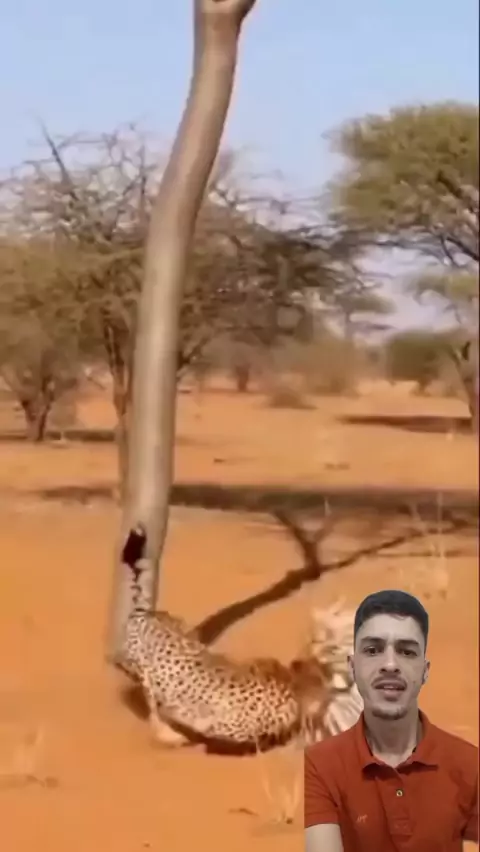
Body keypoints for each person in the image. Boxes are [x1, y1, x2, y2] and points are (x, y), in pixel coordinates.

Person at [304, 589, 478, 852]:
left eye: (406, 652)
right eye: (373, 650)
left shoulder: (468, 764)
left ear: (424, 671)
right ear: (352, 667)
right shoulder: (321, 765)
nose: (390, 665)